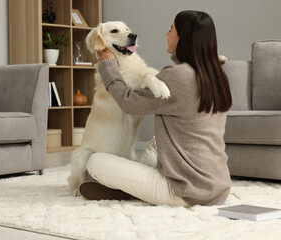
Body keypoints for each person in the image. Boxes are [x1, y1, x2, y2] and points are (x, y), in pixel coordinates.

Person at [79, 10, 233, 206]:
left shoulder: (176, 77)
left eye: (171, 30)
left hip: (183, 191)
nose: (167, 34)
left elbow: (128, 103)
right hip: (218, 187)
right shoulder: (217, 75)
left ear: (183, 38)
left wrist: (108, 65)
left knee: (95, 161)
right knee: (154, 144)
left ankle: (136, 191)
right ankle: (139, 186)